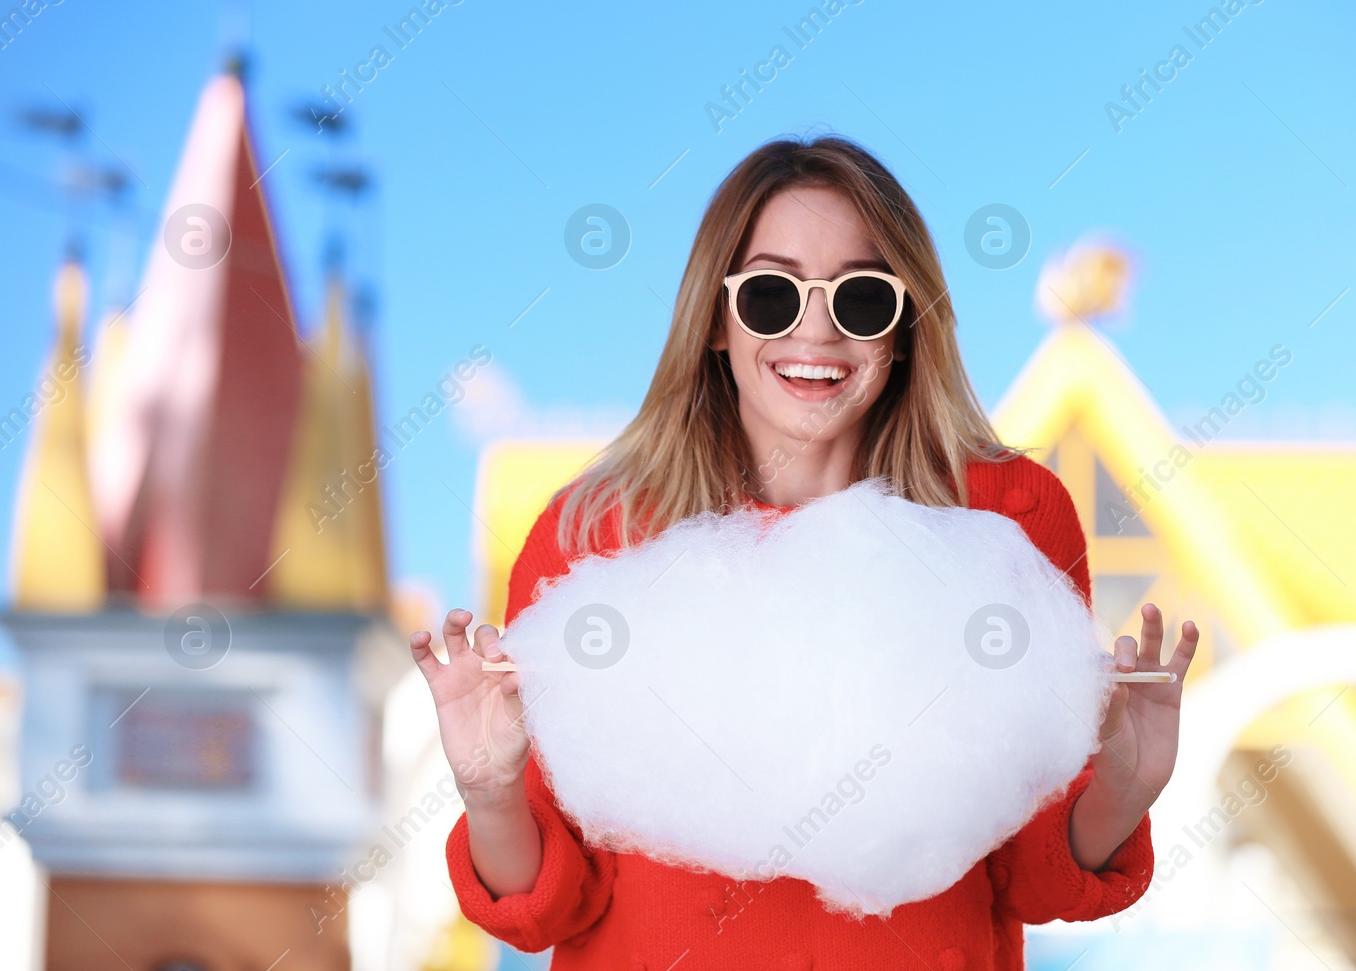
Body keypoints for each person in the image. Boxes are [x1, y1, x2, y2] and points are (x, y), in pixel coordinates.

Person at [409, 136, 1200, 970]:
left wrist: (1124, 784)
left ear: (902, 328)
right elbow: (546, 907)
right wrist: (491, 795)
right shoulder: (593, 536)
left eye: (860, 299)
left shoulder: (1009, 517)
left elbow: (1030, 878)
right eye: (772, 295)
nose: (815, 330)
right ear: (715, 319)